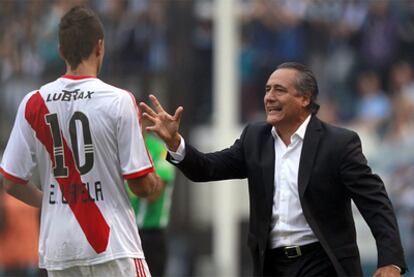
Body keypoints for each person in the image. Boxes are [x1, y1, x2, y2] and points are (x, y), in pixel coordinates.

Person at [139, 62, 408, 276]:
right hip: (273, 265)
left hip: (324, 263)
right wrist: (175, 142)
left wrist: (390, 262)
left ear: (304, 98)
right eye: (267, 89)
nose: (269, 97)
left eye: (279, 90)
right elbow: (207, 169)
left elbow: (375, 202)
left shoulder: (339, 143)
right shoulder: (255, 138)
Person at [0, 6, 160, 277]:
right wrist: (155, 179)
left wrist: (51, 202)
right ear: (100, 47)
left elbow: (11, 182)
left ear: (61, 51)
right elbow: (142, 185)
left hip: (60, 251)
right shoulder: (118, 100)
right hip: (112, 245)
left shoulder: (33, 103)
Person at [126, 117, 176, 277]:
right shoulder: (121, 150)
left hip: (151, 233)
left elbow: (152, 194)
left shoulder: (160, 151)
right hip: (125, 233)